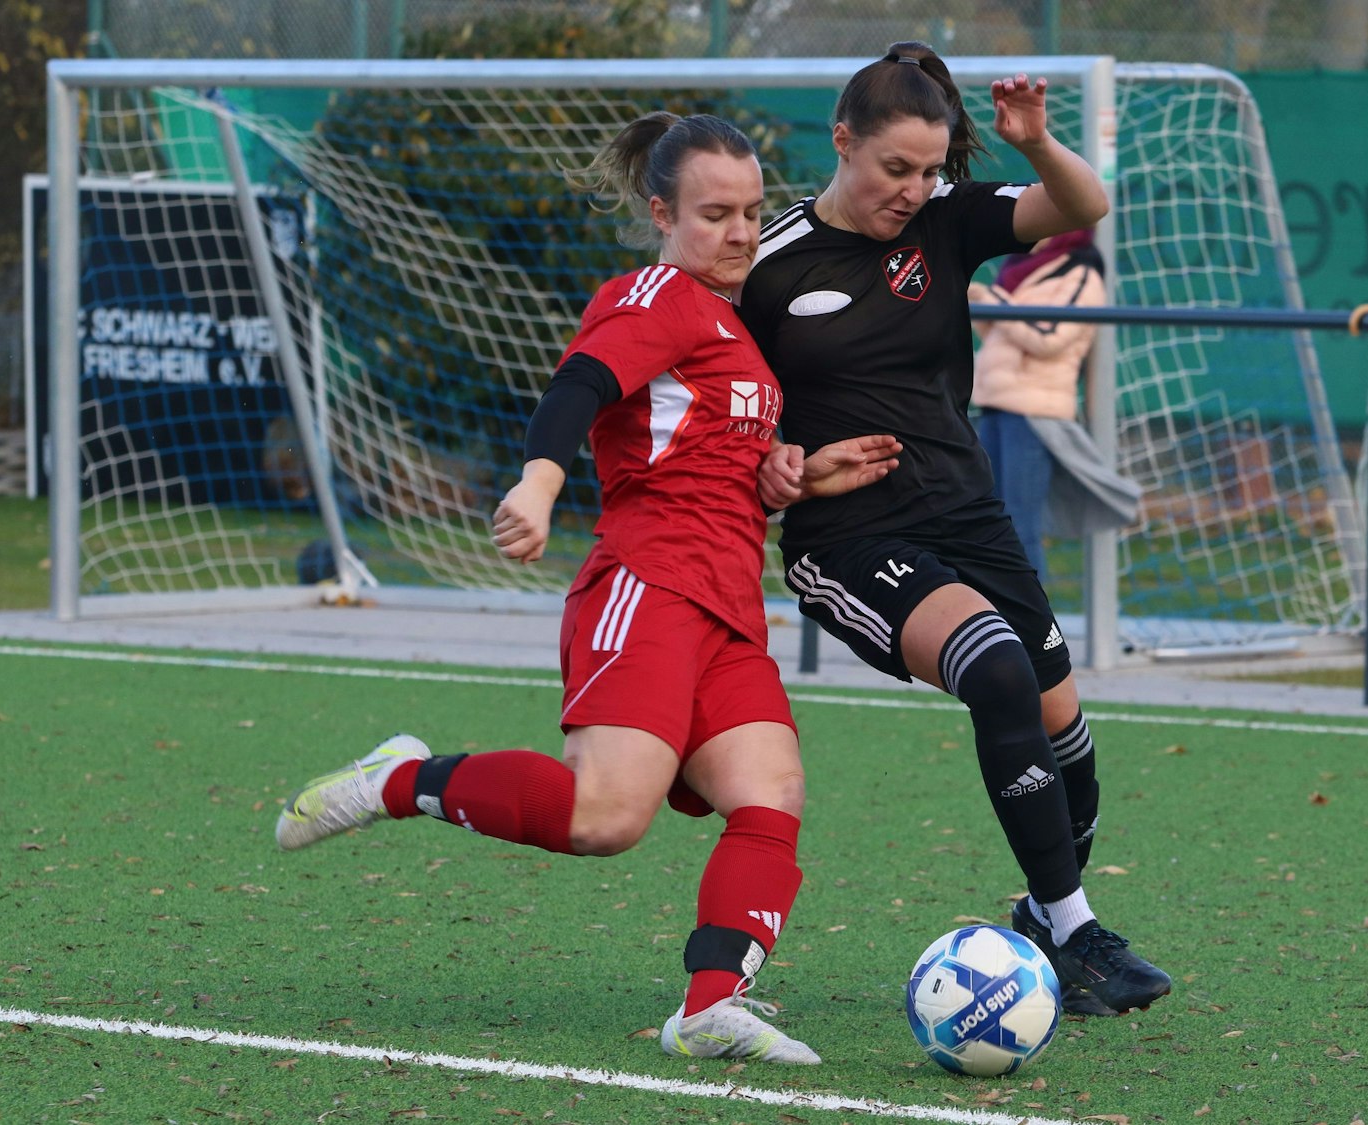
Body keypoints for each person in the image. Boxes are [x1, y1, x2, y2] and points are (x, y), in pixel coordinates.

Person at [274, 111, 901, 1065]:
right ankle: (397, 780)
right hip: (647, 585)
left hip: (730, 607)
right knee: (605, 818)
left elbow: (705, 461)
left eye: (751, 211)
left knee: (770, 792)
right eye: (714, 213)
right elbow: (580, 387)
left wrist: (796, 475)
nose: (739, 232)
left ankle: (710, 1003)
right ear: (661, 212)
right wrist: (540, 476)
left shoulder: (732, 321)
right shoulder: (658, 292)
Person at [737, 43, 1171, 1017]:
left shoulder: (943, 223)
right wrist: (769, 464)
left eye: (928, 169)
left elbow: (1081, 206)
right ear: (841, 142)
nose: (912, 188)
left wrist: (1034, 142)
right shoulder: (767, 264)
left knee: (1068, 741)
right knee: (995, 667)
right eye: (894, 168)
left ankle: (1045, 926)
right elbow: (707, 392)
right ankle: (1077, 932)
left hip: (967, 517)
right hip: (845, 537)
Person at [967, 227, 1110, 583]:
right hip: (996, 405)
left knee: (1020, 524)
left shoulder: (1082, 274)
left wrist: (994, 301)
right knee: (987, 520)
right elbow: (1003, 338)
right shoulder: (1024, 266)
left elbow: (1048, 336)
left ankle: (1033, 628)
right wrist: (979, 305)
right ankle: (995, 615)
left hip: (1034, 413)